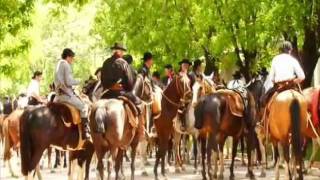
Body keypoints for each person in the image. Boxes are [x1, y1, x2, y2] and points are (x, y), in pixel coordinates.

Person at [54, 48, 90, 141]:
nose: (72, 60)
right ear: (68, 57)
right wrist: (79, 81)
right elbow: (69, 81)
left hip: (57, 96)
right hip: (66, 96)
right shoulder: (66, 64)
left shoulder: (58, 64)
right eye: (72, 58)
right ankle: (85, 132)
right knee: (84, 107)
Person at [100, 43, 142, 111]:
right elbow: (130, 83)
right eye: (122, 51)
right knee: (139, 103)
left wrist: (109, 86)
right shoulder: (123, 63)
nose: (123, 54)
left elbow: (102, 80)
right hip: (120, 92)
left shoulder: (105, 62)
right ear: (119, 52)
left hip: (107, 93)